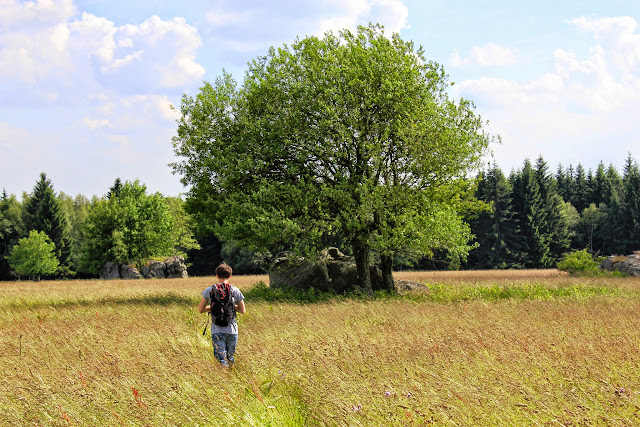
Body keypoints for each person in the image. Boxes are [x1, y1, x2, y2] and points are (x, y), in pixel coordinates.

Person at [198, 263, 245, 368]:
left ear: (216, 276)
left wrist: (213, 307)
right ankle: (231, 379)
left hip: (217, 331)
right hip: (232, 331)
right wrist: (232, 306)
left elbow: (201, 309)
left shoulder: (209, 290)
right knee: (230, 358)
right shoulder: (235, 290)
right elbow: (243, 310)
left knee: (221, 361)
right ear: (230, 276)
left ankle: (223, 380)